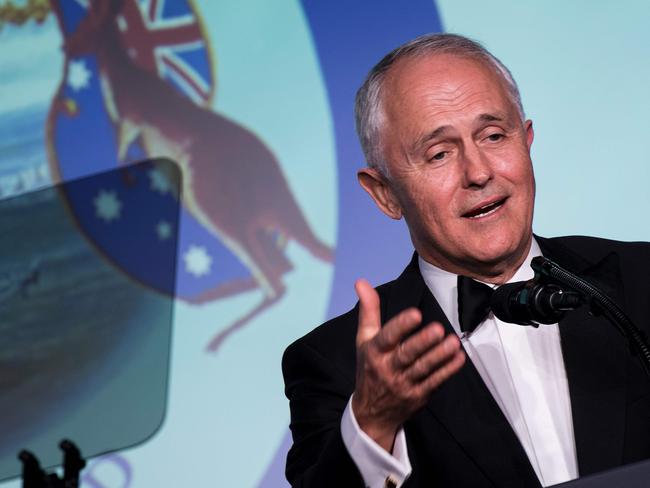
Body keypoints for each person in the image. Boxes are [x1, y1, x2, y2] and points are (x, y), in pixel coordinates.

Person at [282, 33, 650, 488]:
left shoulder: (640, 282)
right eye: (439, 153)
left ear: (527, 140)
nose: (478, 173)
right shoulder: (336, 364)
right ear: (384, 194)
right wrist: (373, 425)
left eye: (494, 136)